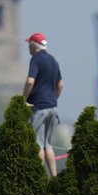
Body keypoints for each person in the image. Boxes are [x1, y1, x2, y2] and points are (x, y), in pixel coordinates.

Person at [22, 32, 64, 177]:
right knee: (48, 144)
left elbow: (30, 81)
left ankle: (39, 175)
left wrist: (24, 100)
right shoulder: (53, 60)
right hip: (52, 107)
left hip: (39, 106)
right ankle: (53, 176)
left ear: (34, 45)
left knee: (37, 142)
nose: (28, 48)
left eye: (29, 44)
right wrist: (54, 98)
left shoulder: (36, 60)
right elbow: (61, 84)